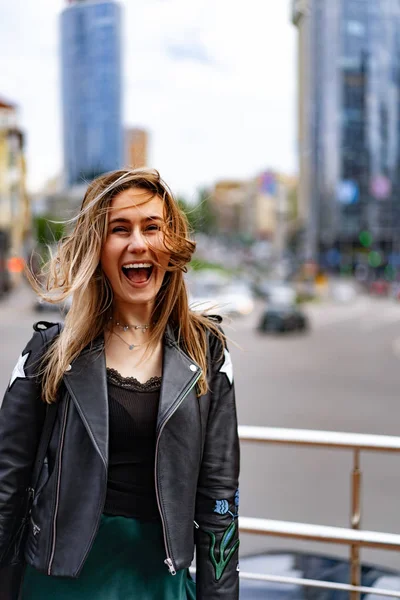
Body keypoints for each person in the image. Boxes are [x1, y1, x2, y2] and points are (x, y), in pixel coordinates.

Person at [0, 169, 240, 600]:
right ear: (98, 246)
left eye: (152, 227)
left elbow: (220, 503)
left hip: (158, 585)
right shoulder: (48, 354)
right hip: (60, 585)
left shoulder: (208, 354)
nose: (138, 243)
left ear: (171, 245)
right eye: (119, 229)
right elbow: (6, 487)